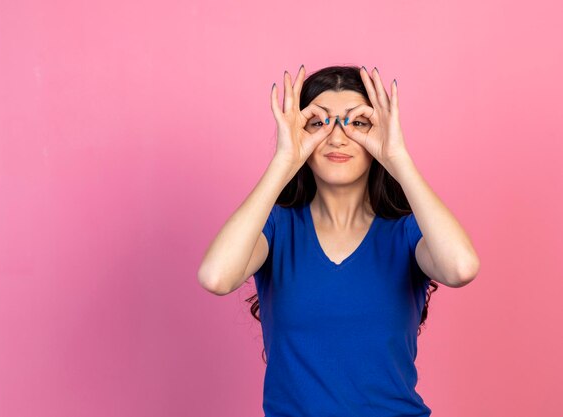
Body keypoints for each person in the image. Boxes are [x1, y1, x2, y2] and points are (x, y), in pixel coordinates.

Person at [198, 64, 480, 417]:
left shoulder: (406, 231)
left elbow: (461, 267)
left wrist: (397, 157)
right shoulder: (276, 228)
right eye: (319, 123)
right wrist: (284, 160)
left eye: (357, 123)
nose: (337, 138)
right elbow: (216, 277)